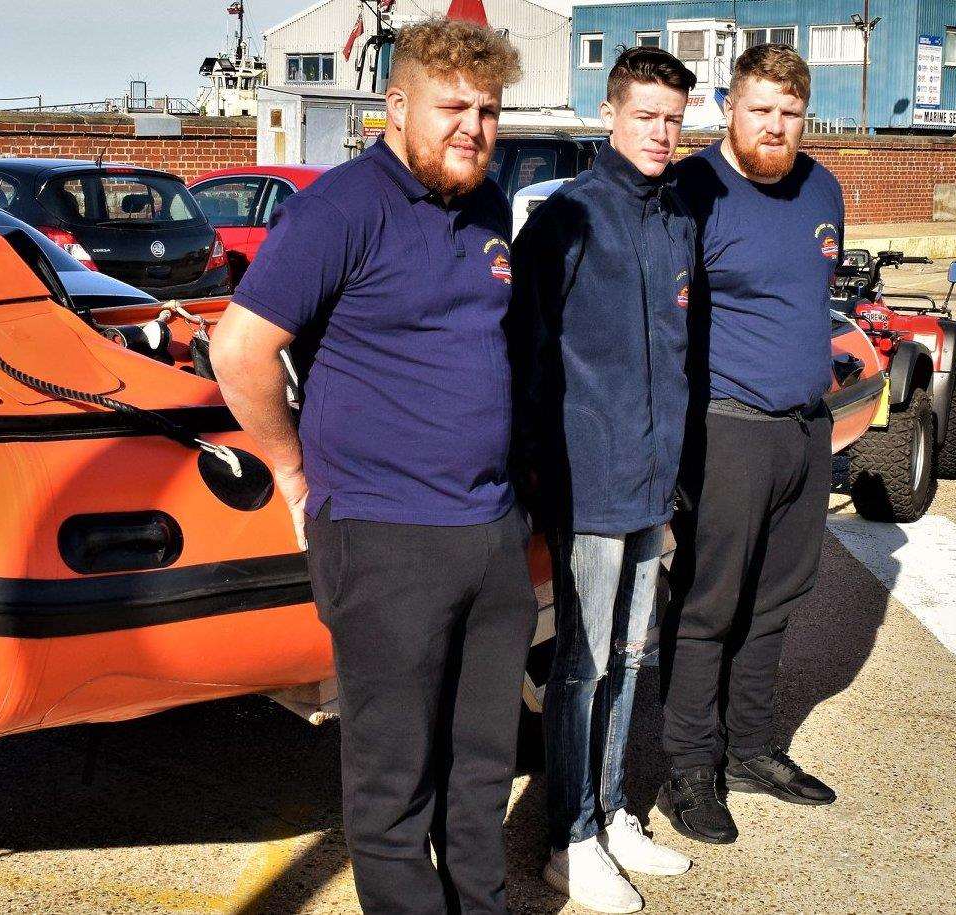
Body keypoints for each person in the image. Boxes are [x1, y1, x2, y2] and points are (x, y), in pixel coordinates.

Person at [209, 18, 535, 915]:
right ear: (396, 106)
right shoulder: (343, 206)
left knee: (480, 771)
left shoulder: (488, 206)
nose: (473, 126)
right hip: (385, 538)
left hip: (489, 533)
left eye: (489, 110)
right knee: (394, 791)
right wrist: (289, 468)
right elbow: (239, 349)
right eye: (452, 106)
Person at [509, 46, 698, 913]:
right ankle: (569, 837)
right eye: (647, 115)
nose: (662, 133)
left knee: (631, 654)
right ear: (610, 115)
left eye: (673, 117)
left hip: (651, 482)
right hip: (588, 481)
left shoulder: (674, 222)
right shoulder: (566, 220)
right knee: (580, 666)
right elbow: (529, 355)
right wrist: (538, 474)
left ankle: (612, 809)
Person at [657, 44, 843, 846]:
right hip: (726, 428)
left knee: (776, 602)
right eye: (760, 109)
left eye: (789, 113)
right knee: (708, 607)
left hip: (806, 431)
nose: (774, 126)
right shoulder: (692, 189)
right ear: (729, 108)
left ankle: (752, 747)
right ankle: (689, 770)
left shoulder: (823, 186)